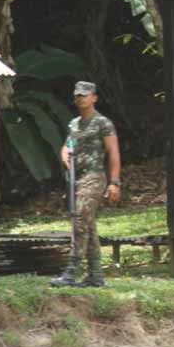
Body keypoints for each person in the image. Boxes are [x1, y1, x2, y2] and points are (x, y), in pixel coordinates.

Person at [51, 81, 121, 288]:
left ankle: (72, 271)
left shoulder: (103, 123)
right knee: (87, 224)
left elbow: (113, 152)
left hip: (94, 177)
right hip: (76, 178)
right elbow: (66, 146)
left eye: (85, 95)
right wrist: (65, 156)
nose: (80, 98)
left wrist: (115, 182)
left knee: (80, 219)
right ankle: (95, 275)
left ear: (94, 98)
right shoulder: (73, 124)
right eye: (77, 96)